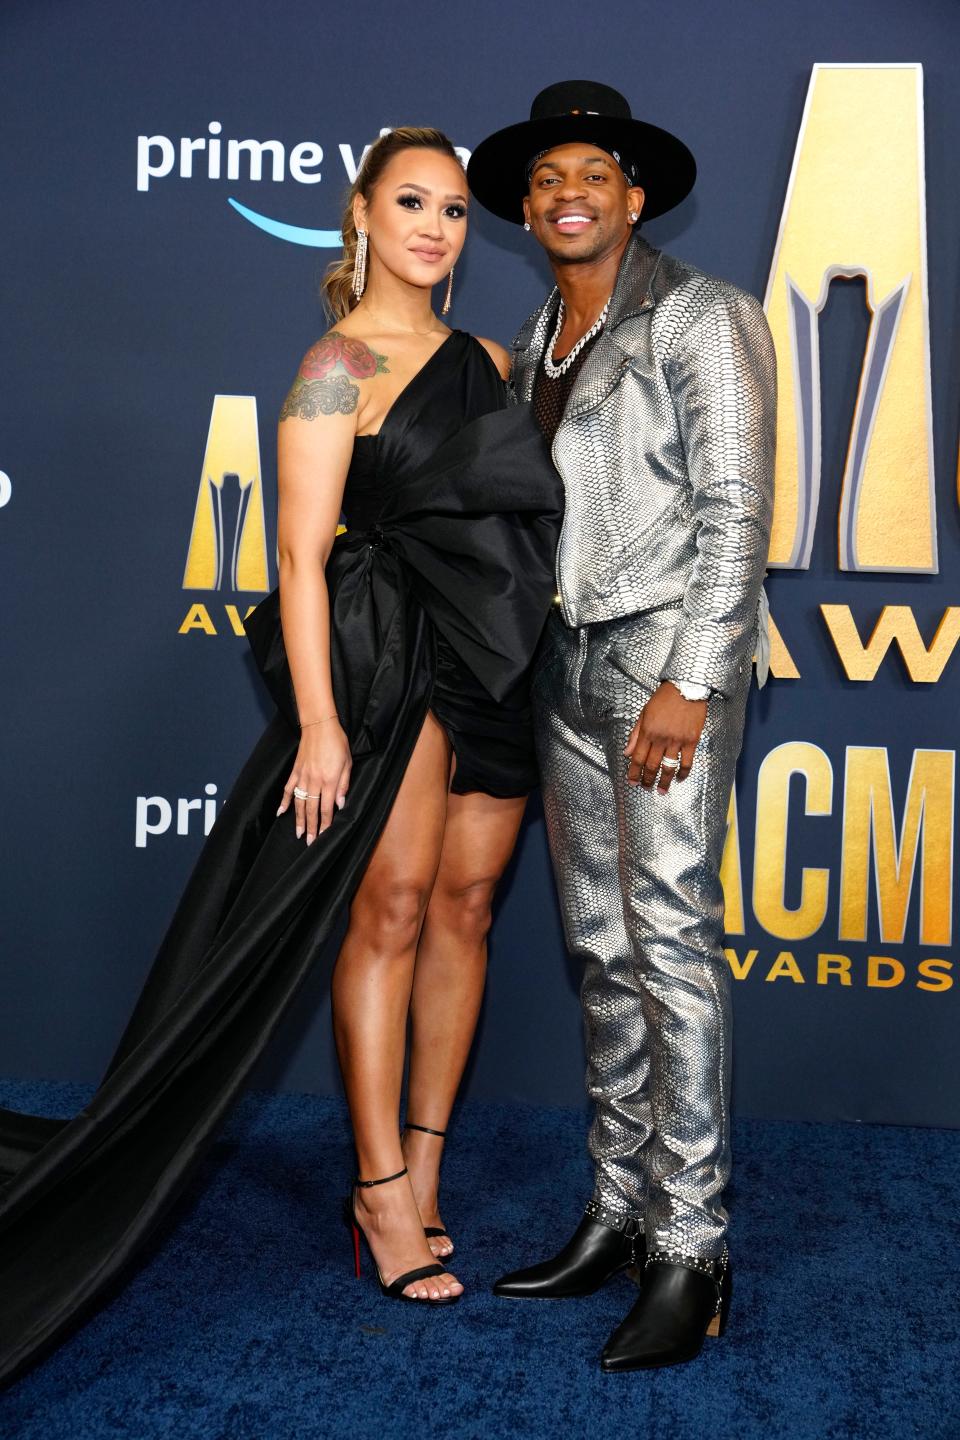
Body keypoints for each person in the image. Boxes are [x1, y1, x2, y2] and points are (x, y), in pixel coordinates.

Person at [0, 127, 562, 1385]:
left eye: (458, 211)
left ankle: (422, 1167)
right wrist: (318, 721)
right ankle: (376, 1192)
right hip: (393, 663)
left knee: (468, 908)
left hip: (501, 662)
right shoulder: (333, 365)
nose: (436, 226)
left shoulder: (488, 359)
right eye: (412, 202)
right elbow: (300, 559)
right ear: (361, 213)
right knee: (398, 908)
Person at [467, 81, 775, 1370]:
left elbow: (739, 509)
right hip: (565, 666)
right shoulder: (539, 329)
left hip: (664, 662)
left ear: (634, 194)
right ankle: (621, 1210)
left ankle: (694, 1250)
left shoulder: (702, 317)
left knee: (671, 944)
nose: (568, 193)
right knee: (600, 946)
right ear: (528, 210)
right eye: (546, 180)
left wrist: (693, 679)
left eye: (592, 171)